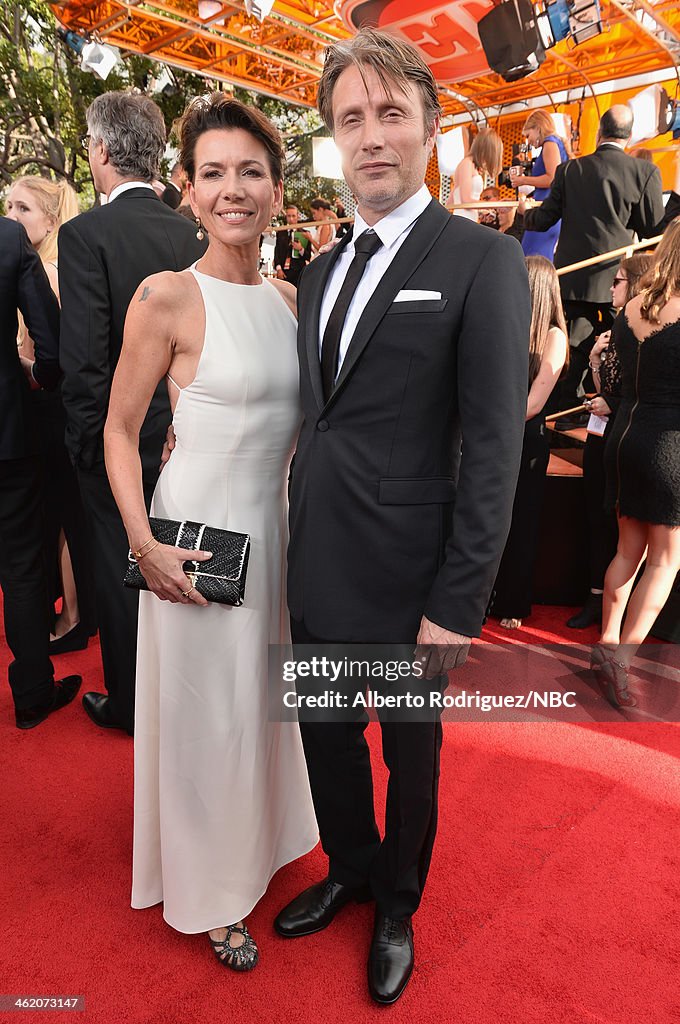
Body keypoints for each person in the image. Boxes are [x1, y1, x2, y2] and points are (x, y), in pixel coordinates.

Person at [274, 28, 531, 1005]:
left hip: (413, 575)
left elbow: (495, 450)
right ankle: (346, 865)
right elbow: (320, 417)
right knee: (325, 734)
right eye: (350, 119)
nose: (369, 136)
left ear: (429, 124)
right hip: (319, 556)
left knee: (405, 751)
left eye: (388, 114)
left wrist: (457, 601)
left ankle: (394, 901)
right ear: (334, 140)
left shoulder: (479, 262)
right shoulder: (320, 272)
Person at [104, 94, 317, 971]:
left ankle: (256, 851)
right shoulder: (165, 296)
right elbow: (117, 432)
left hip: (276, 531)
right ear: (187, 190)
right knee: (204, 717)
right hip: (195, 538)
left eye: (252, 173)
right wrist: (144, 546)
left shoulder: (292, 298)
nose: (235, 190)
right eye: (215, 174)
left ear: (276, 189)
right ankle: (207, 890)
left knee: (260, 708)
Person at [58, 91, 207, 736]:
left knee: (123, 571)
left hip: (115, 439)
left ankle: (130, 703)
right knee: (187, 558)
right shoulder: (194, 232)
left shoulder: (85, 235)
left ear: (100, 151)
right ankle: (187, 693)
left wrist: (86, 449)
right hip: (188, 435)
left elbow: (85, 360)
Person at [520, 105, 664, 413]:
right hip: (619, 279)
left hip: (573, 278)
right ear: (628, 135)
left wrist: (524, 214)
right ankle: (611, 405)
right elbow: (653, 230)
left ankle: (564, 412)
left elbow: (545, 218)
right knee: (620, 344)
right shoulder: (644, 172)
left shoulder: (571, 169)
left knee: (568, 346)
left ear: (599, 132)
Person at [5, 175, 96, 654]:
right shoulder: (34, 263)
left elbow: (54, 355)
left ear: (51, 219)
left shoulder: (53, 271)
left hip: (51, 405)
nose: (12, 217)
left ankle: (75, 617)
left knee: (62, 516)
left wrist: (23, 367)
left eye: (24, 209)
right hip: (40, 406)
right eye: (9, 207)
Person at [593, 219, 680, 707]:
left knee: (628, 551)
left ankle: (607, 642)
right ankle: (622, 661)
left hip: (625, 438)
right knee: (666, 561)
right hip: (670, 446)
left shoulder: (630, 309)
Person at [0, 216, 81, 728]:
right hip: (7, 434)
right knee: (23, 566)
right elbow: (51, 343)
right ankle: (31, 693)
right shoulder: (8, 239)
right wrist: (42, 378)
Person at [567, 253, 653, 629]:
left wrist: (610, 402)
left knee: (621, 531)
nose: (611, 287)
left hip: (629, 438)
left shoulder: (641, 330)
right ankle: (596, 600)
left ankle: (615, 613)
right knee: (594, 520)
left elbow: (639, 392)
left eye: (618, 280)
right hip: (603, 438)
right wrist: (596, 362)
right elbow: (605, 391)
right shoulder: (615, 328)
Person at [492, 256, 569, 630]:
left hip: (525, 442)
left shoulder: (554, 336)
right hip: (495, 436)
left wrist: (484, 414)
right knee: (489, 521)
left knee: (520, 523)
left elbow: (534, 404)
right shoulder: (508, 324)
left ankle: (512, 602)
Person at [508, 109, 568, 260]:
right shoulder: (556, 144)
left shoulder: (550, 144)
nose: (528, 142)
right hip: (547, 208)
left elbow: (551, 179)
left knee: (532, 256)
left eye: (528, 135)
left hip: (545, 209)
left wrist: (523, 180)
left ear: (538, 127)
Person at [447, 127, 503, 222]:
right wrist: (493, 205)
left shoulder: (469, 164)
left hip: (467, 218)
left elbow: (451, 201)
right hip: (464, 220)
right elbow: (466, 200)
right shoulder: (467, 164)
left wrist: (481, 210)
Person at [274, 204, 312, 285]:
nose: (291, 219)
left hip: (298, 273)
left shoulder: (305, 233)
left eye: (293, 216)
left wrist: (301, 249)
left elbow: (308, 256)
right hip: (283, 272)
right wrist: (278, 269)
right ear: (286, 217)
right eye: (289, 216)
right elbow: (277, 251)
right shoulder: (281, 232)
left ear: (298, 216)